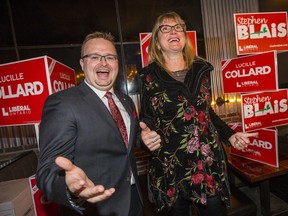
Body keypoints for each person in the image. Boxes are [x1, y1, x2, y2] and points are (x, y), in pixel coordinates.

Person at [139, 11, 258, 216]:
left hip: (207, 160)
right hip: (171, 164)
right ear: (157, 42)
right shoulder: (149, 76)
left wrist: (230, 134)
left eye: (178, 27)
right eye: (165, 28)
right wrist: (144, 136)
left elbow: (207, 112)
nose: (173, 31)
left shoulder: (202, 69)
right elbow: (147, 118)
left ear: (184, 37)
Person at [36, 31, 160, 216]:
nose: (103, 62)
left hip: (134, 199)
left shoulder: (125, 100)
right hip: (96, 207)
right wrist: (71, 188)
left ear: (117, 63)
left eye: (110, 57)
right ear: (82, 63)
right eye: (95, 56)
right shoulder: (63, 103)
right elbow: (47, 170)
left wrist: (144, 140)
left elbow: (125, 142)